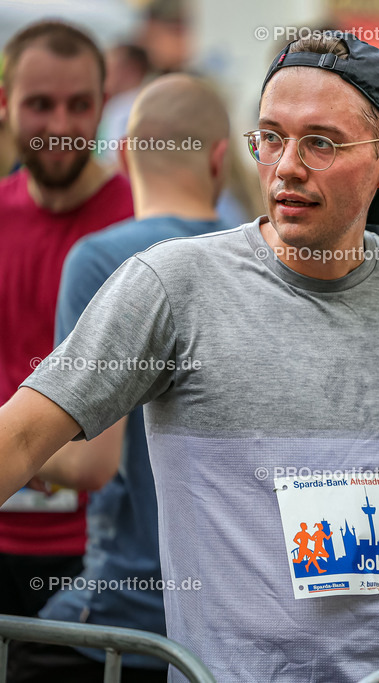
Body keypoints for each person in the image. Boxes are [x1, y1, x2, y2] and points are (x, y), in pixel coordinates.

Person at [0, 31, 379, 683]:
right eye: (271, 137)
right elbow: (21, 436)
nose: (286, 166)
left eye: (321, 142)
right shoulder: (172, 284)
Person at [5, 74, 232, 683]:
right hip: (223, 623)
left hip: (126, 613)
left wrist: (31, 450)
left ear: (126, 154)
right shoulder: (255, 260)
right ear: (219, 159)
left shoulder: (106, 257)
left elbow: (87, 463)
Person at [0, 20, 134, 620]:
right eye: (39, 105)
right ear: (5, 106)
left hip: (101, 559)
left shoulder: (140, 228)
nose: (59, 126)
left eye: (79, 105)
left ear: (104, 106)